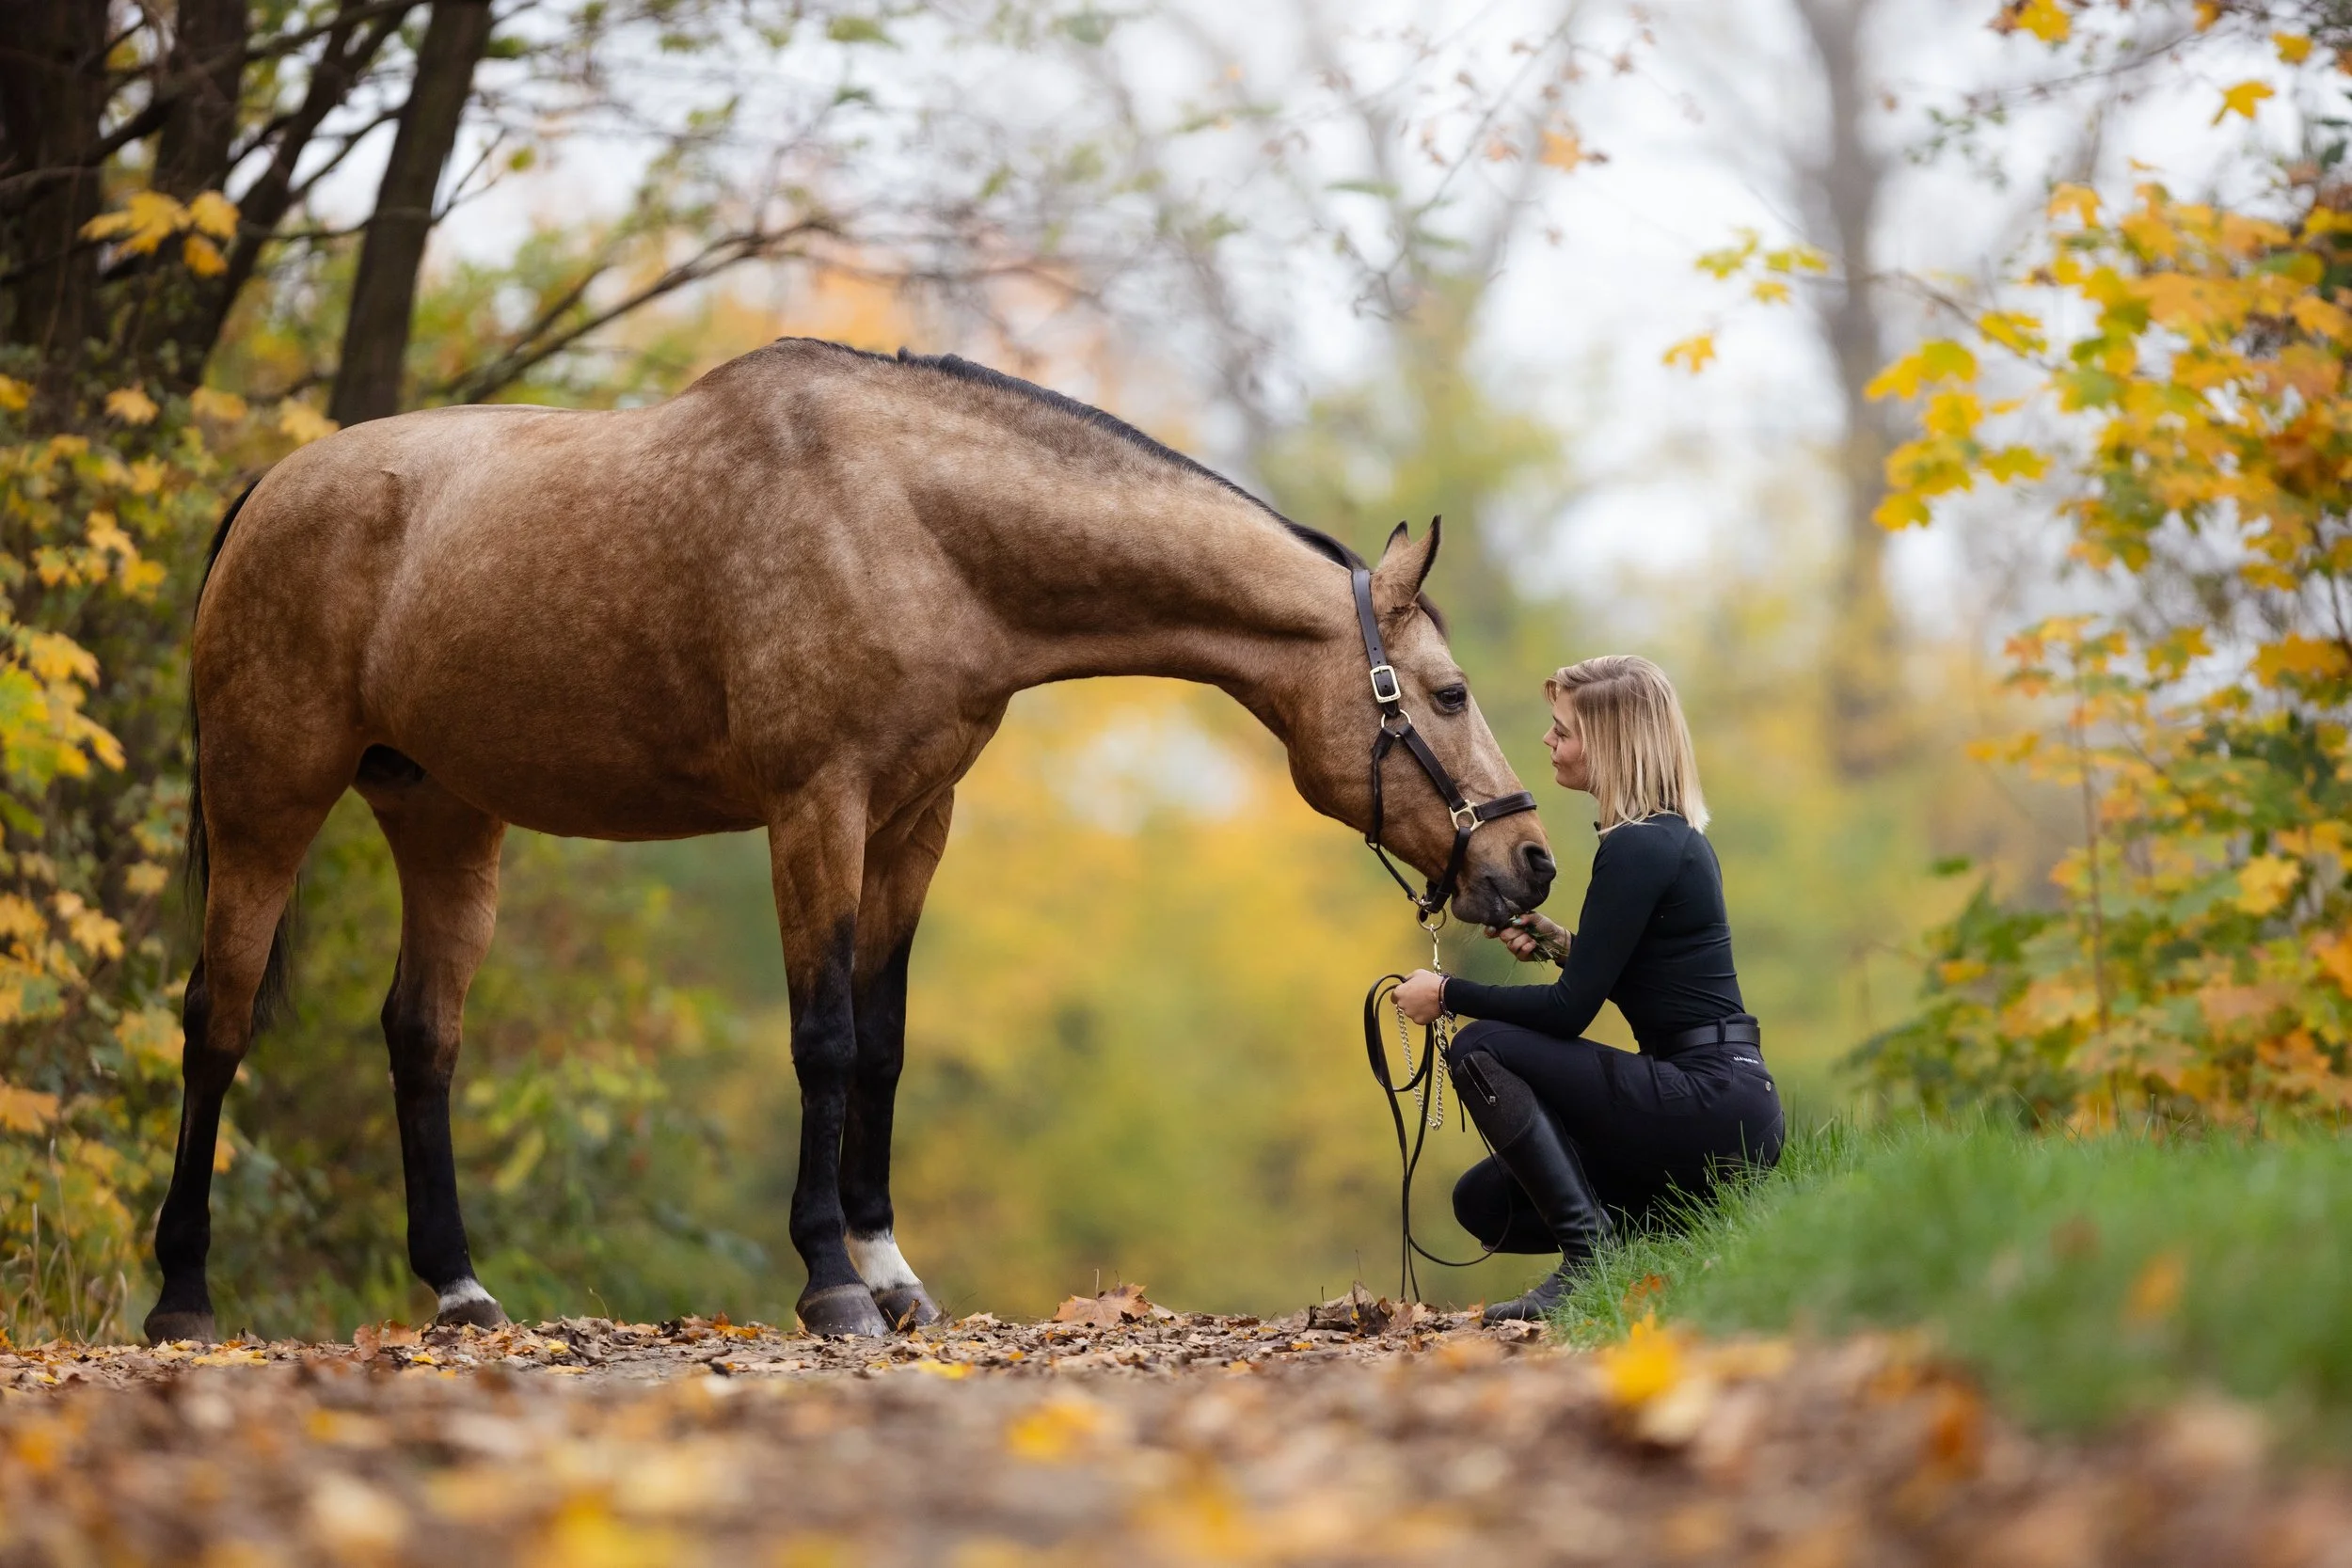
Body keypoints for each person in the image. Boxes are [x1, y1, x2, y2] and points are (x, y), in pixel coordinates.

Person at [1391, 655, 1781, 1323]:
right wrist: (1561, 944)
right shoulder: (1670, 839)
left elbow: (1570, 1012)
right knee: (1485, 1203)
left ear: (1607, 743)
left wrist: (1448, 992)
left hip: (1710, 1098)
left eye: (1561, 729)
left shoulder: (1635, 847)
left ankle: (1591, 1255)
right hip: (1731, 1105)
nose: (1548, 741)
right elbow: (1659, 978)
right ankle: (1661, 1238)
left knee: (1481, 1046)